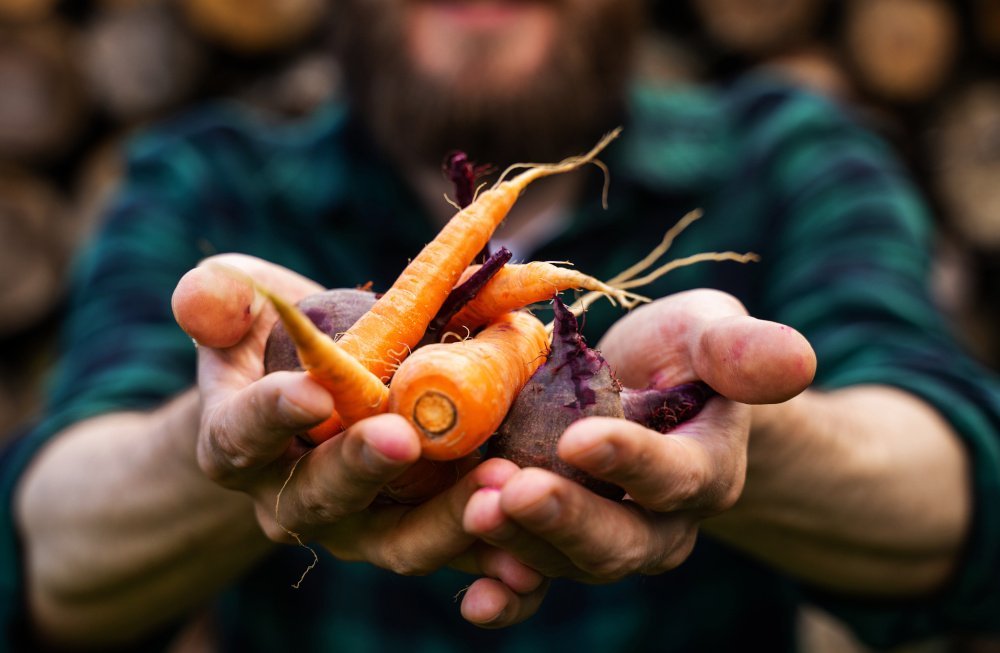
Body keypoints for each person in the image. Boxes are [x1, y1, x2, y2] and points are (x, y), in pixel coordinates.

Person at [4, 0, 1000, 650]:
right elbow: (45, 553)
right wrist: (227, 437)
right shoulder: (204, 183)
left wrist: (743, 432)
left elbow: (965, 494)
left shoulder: (789, 160)